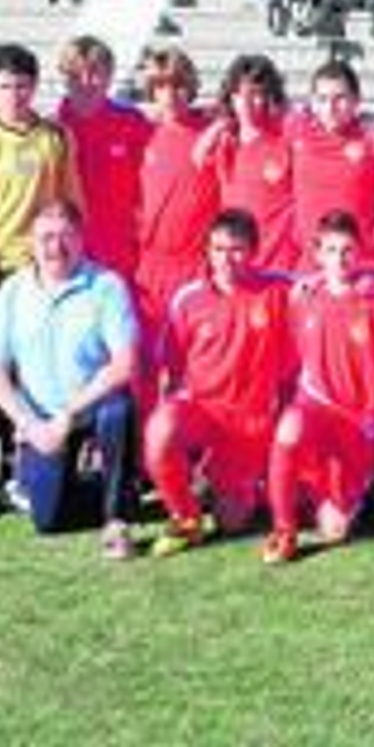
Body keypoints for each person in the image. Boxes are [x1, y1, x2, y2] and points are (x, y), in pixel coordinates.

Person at [260, 211, 374, 564]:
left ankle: (355, 491)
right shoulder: (304, 297)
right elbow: (264, 279)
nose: (339, 259)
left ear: (359, 253)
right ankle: (284, 531)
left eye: (347, 251)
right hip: (316, 409)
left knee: (335, 531)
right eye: (331, 250)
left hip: (360, 426)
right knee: (288, 427)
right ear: (317, 254)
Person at [0, 43, 82, 519]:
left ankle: (16, 472)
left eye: (22, 85)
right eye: (5, 86)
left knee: (36, 377)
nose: (14, 95)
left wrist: (72, 256)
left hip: (43, 271)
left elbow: (71, 201)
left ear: (34, 87)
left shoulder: (55, 137)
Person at [0, 202, 137, 559]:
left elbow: (124, 364)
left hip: (89, 411)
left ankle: (117, 520)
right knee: (48, 520)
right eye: (46, 238)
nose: (56, 247)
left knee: (119, 409)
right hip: (41, 424)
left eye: (66, 236)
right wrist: (28, 423)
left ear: (82, 239)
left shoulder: (106, 285)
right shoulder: (13, 291)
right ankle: (115, 485)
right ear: (31, 244)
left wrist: (67, 415)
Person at [145, 210, 297, 556]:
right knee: (158, 432)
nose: (225, 259)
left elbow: (326, 284)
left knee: (232, 521)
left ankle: (224, 482)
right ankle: (186, 519)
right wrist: (168, 419)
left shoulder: (278, 290)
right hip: (201, 410)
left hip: (250, 423)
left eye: (236, 249)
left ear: (254, 251)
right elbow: (169, 368)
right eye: (217, 249)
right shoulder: (188, 298)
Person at [134, 47, 219, 330]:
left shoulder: (212, 131)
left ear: (191, 87)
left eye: (179, 85)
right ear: (151, 91)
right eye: (161, 87)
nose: (170, 95)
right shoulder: (140, 132)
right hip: (151, 267)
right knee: (150, 357)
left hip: (197, 264)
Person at [55, 36, 152, 280]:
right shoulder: (51, 129)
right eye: (75, 74)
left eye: (95, 72)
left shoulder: (132, 124)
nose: (86, 82)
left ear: (110, 75)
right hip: (66, 248)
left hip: (119, 250)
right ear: (63, 77)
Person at [198, 54, 297, 270]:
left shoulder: (285, 141)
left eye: (256, 94)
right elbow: (197, 158)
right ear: (231, 98)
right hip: (235, 266)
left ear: (269, 97)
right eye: (240, 95)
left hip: (277, 266)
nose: (247, 103)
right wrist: (220, 125)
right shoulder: (225, 143)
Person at [288, 59, 374, 261]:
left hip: (358, 265)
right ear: (312, 101)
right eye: (322, 99)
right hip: (309, 264)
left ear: (356, 100)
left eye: (340, 98)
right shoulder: (296, 132)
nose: (330, 107)